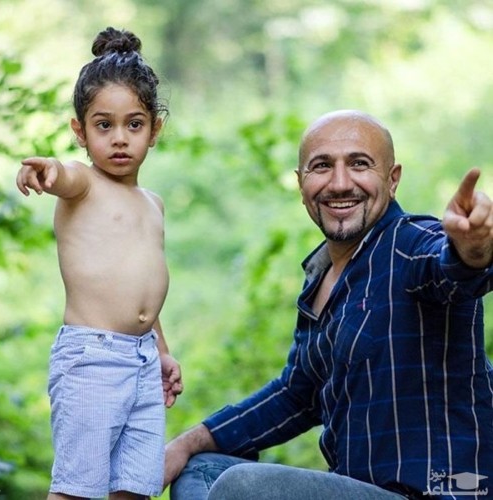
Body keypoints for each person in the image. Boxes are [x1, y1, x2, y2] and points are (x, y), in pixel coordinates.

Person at [164, 110, 493, 500]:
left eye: (359, 164)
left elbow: (454, 268)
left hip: (446, 489)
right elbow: (296, 395)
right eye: (322, 166)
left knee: (242, 486)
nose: (339, 183)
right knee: (201, 470)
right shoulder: (322, 278)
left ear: (392, 179)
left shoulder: (409, 244)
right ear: (301, 183)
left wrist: (474, 249)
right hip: (358, 488)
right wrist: (187, 443)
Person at [16, 27, 182, 500]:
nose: (120, 139)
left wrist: (162, 350)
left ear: (155, 130)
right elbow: (64, 176)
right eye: (103, 125)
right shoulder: (84, 186)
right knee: (78, 487)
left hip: (143, 361)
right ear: (80, 132)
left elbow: (145, 288)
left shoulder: (153, 203)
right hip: (92, 360)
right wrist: (48, 169)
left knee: (133, 487)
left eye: (134, 124)